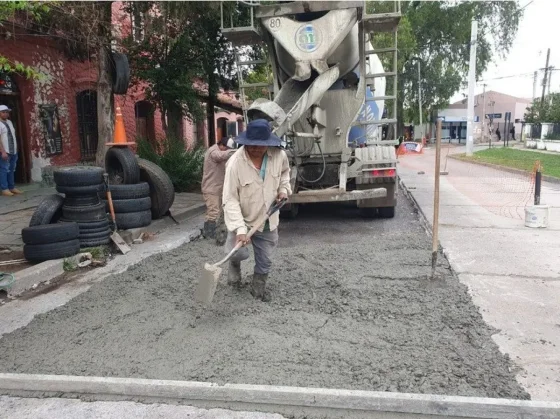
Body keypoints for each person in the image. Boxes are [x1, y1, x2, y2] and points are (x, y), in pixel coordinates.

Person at [222, 119, 291, 301]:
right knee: (237, 252)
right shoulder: (235, 163)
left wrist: (283, 190)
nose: (256, 149)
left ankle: (258, 289)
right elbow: (230, 199)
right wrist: (240, 229)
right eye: (251, 145)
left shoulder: (279, 156)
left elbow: (285, 173)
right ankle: (234, 272)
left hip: (268, 218)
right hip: (242, 218)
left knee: (266, 258)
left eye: (261, 145)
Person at [201, 137, 236, 239]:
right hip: (211, 188)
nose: (227, 150)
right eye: (226, 148)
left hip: (218, 188)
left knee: (219, 211)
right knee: (213, 212)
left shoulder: (219, 150)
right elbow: (221, 155)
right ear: (222, 145)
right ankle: (208, 235)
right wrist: (239, 151)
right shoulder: (213, 151)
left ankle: (212, 233)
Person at [0, 105, 22, 196]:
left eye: (7, 112)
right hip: (5, 151)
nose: (6, 113)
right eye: (3, 112)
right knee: (4, 169)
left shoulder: (9, 122)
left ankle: (12, 187)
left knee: (12, 169)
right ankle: (4, 189)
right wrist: (3, 151)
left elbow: (12, 135)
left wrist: (16, 149)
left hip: (13, 151)